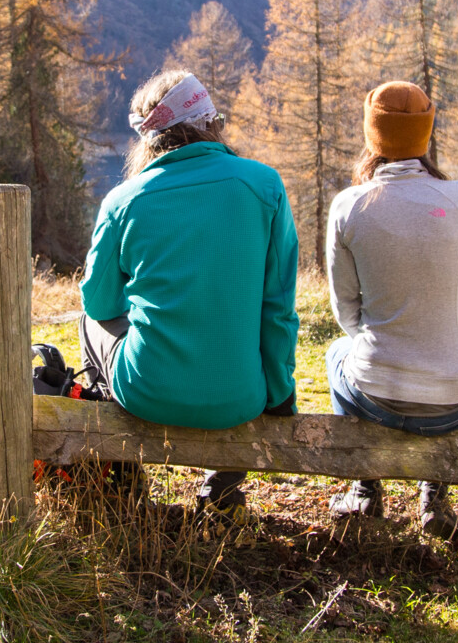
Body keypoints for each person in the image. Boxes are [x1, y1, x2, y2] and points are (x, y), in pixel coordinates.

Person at [78, 70, 300, 523]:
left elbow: (99, 305)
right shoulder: (264, 185)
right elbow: (278, 309)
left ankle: (120, 477)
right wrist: (278, 396)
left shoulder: (123, 200)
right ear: (209, 121)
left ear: (149, 137)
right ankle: (222, 486)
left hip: (144, 392)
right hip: (241, 398)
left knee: (88, 323)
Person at [323, 81, 458, 538]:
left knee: (337, 353)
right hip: (455, 402)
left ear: (371, 134)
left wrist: (388, 353)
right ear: (426, 132)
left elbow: (347, 312)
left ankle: (364, 490)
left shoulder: (348, 206)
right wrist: (437, 341)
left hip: (374, 396)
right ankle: (434, 498)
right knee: (447, 361)